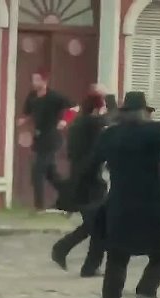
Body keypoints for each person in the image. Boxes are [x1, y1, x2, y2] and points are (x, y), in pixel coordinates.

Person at [81, 91, 160, 298]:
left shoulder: (109, 135)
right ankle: (147, 289)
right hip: (151, 205)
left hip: (119, 204)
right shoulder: (155, 130)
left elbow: (91, 165)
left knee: (116, 260)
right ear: (143, 111)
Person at [51, 92, 108, 277]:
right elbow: (109, 120)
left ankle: (83, 262)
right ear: (97, 108)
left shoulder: (78, 124)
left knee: (96, 224)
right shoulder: (91, 123)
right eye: (102, 106)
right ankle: (64, 249)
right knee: (98, 225)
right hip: (90, 181)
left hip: (81, 178)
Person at [16, 68, 76, 213]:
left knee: (37, 172)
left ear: (44, 81)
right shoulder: (32, 97)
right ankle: (71, 196)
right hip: (39, 138)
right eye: (33, 79)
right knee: (51, 174)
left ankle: (39, 207)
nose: (34, 82)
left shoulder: (54, 97)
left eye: (37, 80)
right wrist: (23, 121)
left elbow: (74, 107)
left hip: (51, 139)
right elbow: (28, 113)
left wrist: (65, 121)